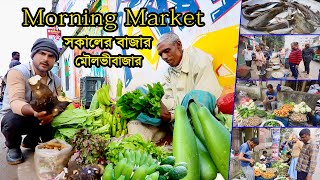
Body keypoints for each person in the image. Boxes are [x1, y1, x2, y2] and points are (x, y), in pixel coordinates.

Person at [0, 38, 61, 165]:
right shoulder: (17, 72)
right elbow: (16, 102)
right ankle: (13, 147)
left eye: (51, 56)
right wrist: (34, 111)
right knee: (12, 121)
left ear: (55, 60)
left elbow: (56, 102)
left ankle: (31, 139)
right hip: (16, 117)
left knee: (58, 117)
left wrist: (53, 113)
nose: (46, 59)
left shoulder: (56, 80)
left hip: (38, 118)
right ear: (33, 54)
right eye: (42, 53)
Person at [156, 32, 221, 122]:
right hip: (180, 119)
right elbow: (169, 100)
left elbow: (205, 100)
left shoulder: (199, 60)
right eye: (160, 54)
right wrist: (170, 115)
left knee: (195, 97)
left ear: (178, 45)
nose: (164, 57)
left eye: (167, 51)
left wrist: (177, 115)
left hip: (201, 116)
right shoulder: (168, 73)